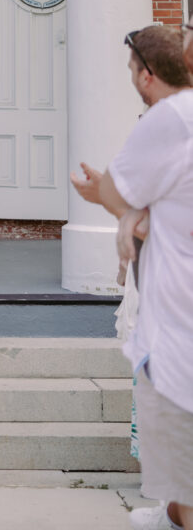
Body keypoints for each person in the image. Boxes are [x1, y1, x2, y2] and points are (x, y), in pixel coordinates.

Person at [74, 26, 193, 530]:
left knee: (181, 453)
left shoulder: (169, 117)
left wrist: (107, 198)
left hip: (178, 317)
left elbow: (118, 189)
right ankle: (171, 513)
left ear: (147, 74)